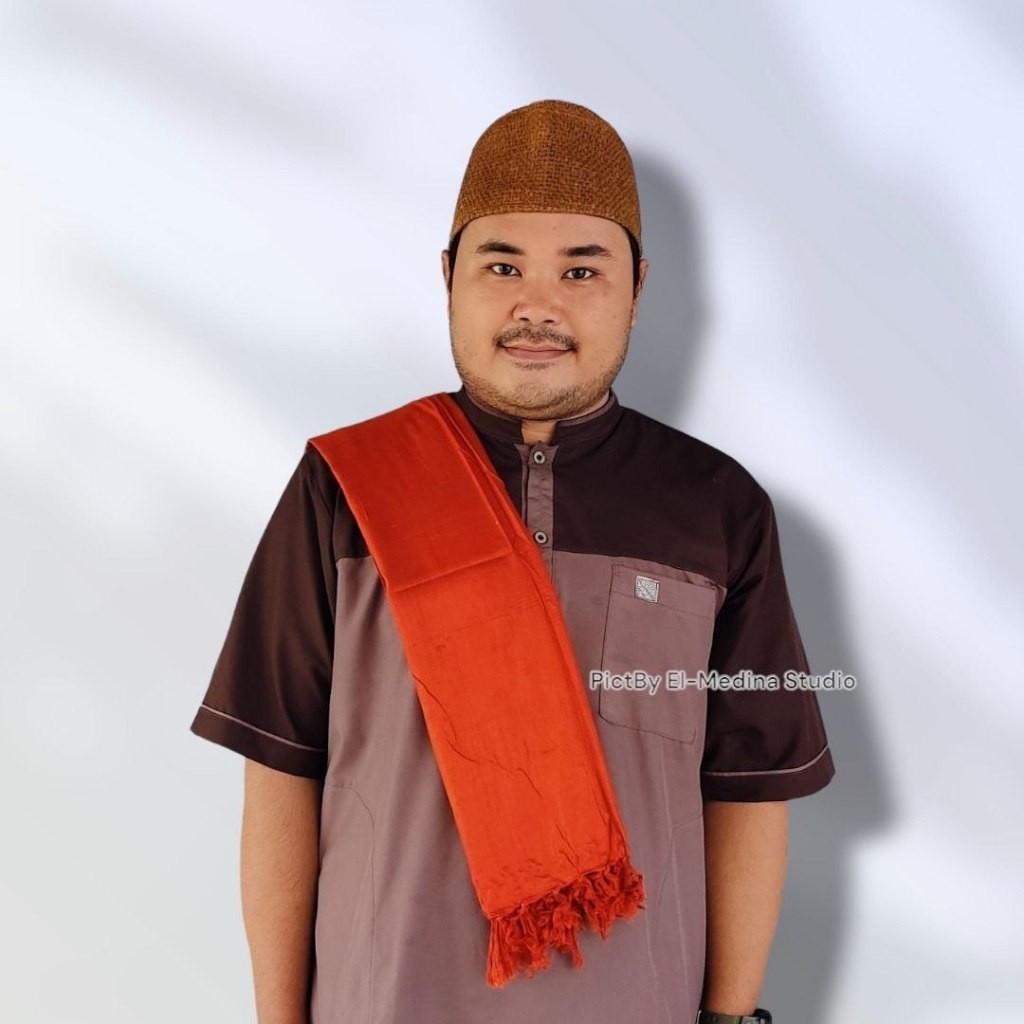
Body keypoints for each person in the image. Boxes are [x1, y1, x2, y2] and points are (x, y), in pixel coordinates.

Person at [190, 99, 834, 1024]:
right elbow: (283, 767)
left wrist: (732, 1019)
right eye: (502, 266)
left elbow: (749, 791)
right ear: (448, 276)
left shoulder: (717, 506)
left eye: (581, 269)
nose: (538, 305)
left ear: (638, 288)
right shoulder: (345, 487)